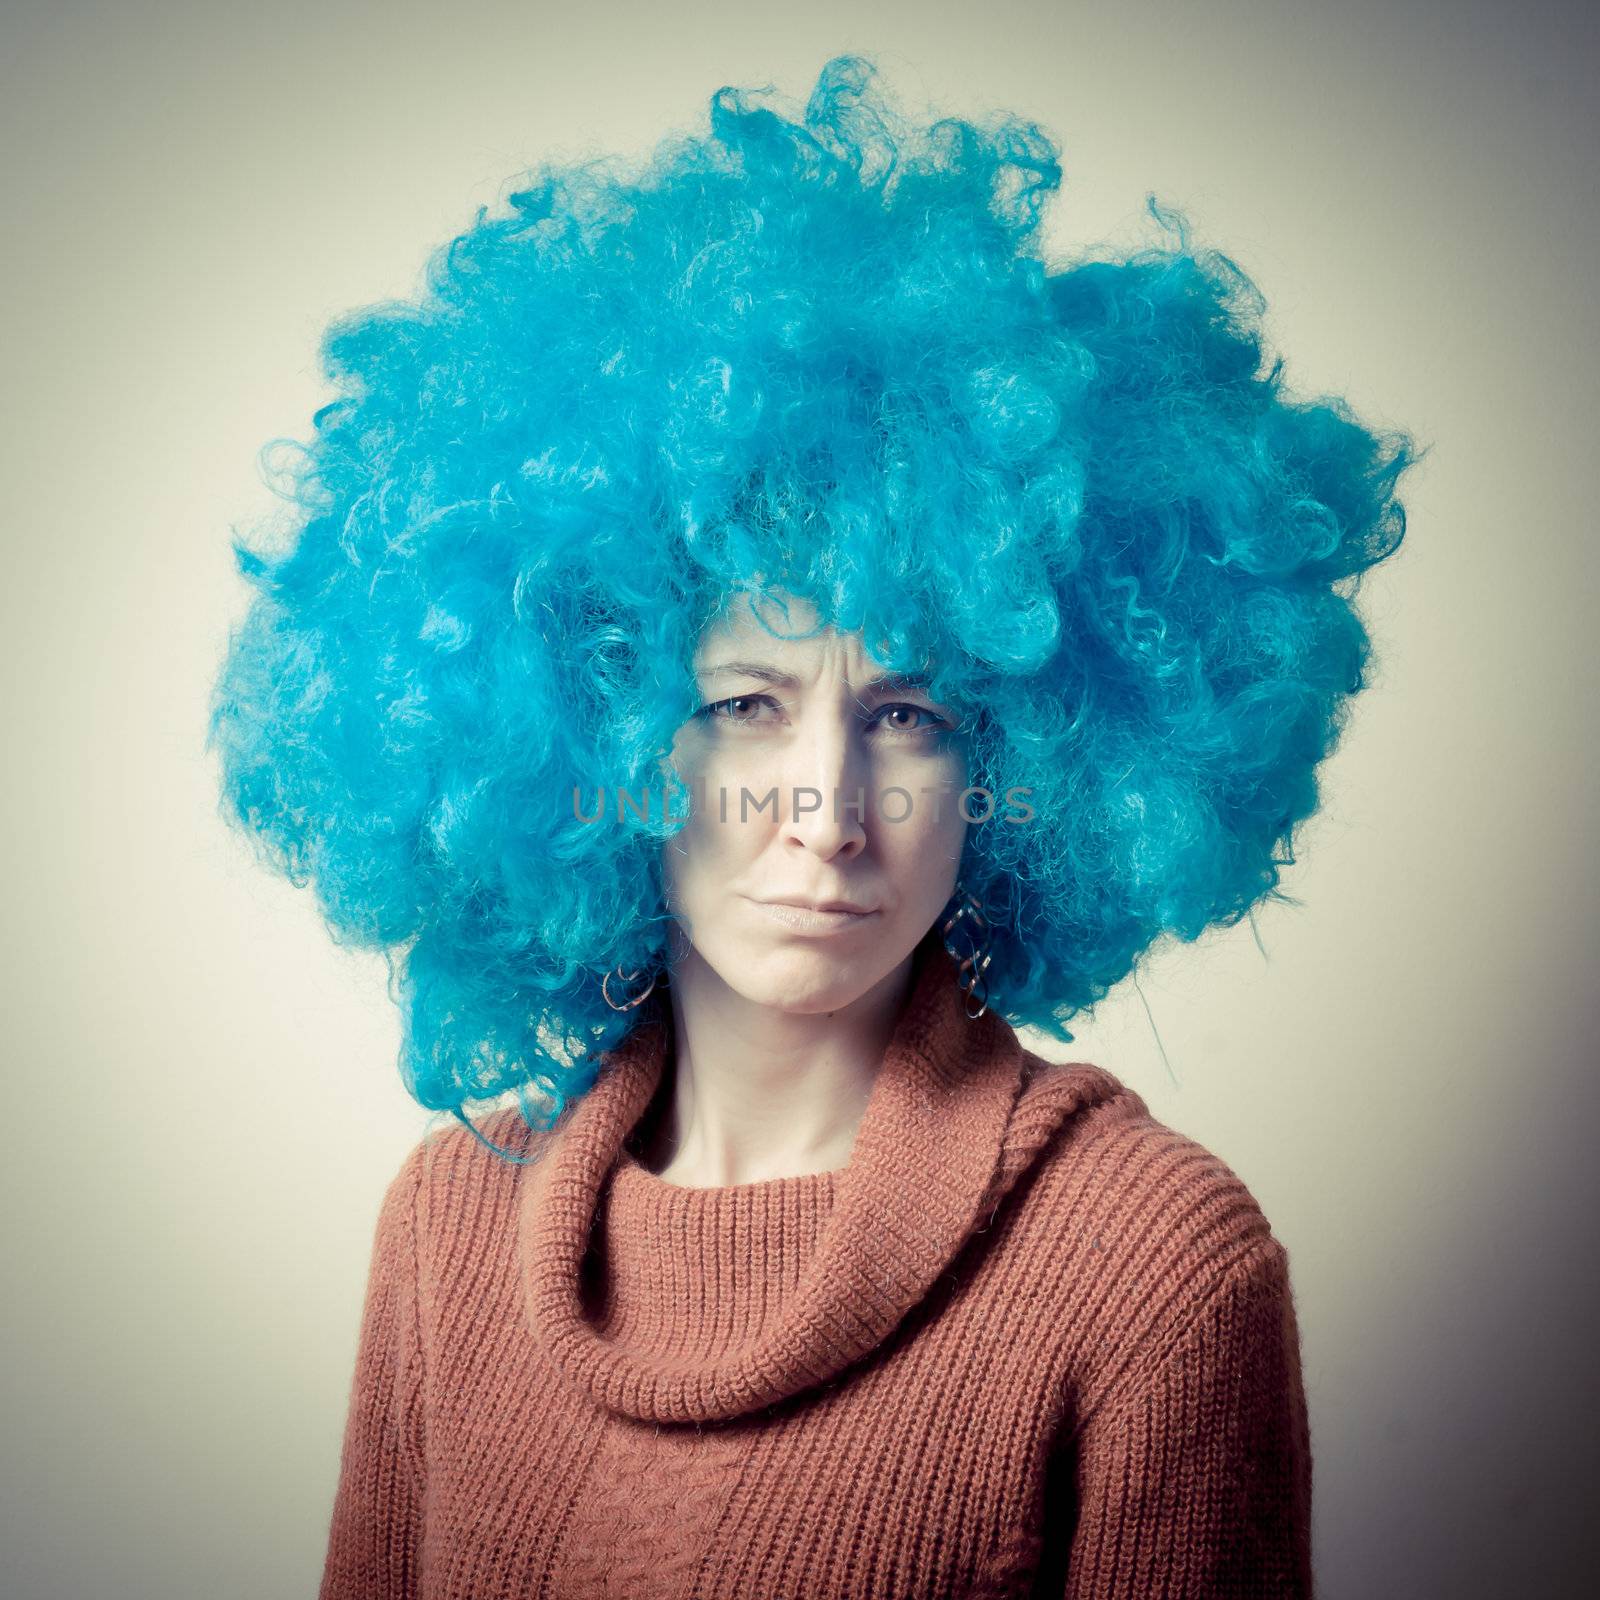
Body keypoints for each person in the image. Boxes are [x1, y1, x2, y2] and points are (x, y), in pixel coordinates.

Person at [206, 52, 1415, 1599]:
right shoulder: (450, 1225)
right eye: (745, 707)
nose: (828, 813)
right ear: (592, 722)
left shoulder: (1150, 1271)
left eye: (909, 717)